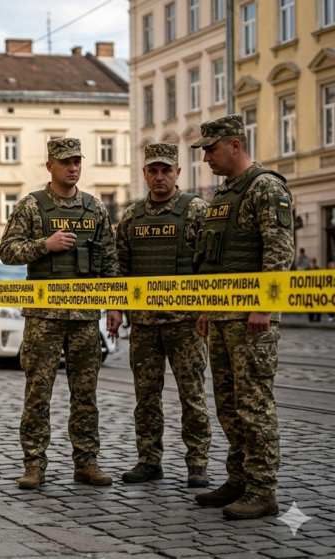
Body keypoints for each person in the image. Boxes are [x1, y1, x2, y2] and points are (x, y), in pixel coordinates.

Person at [0, 138, 122, 489]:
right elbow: (7, 251)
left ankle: (86, 462)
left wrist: (114, 305)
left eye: (77, 161)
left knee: (86, 394)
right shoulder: (32, 206)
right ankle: (34, 464)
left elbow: (110, 263)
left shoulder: (95, 209)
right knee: (38, 393)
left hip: (84, 318)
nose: (73, 167)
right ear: (50, 165)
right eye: (65, 161)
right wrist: (45, 245)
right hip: (44, 318)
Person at [191, 114, 294, 520]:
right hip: (220, 317)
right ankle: (238, 479)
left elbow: (279, 253)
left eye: (211, 150)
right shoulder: (223, 196)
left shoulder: (265, 188)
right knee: (229, 406)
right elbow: (212, 261)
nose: (206, 159)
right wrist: (205, 309)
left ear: (235, 145)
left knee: (254, 405)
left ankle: (263, 489)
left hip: (252, 319)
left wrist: (263, 307)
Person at [114, 143, 212, 488]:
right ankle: (148, 460)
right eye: (153, 170)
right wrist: (114, 307)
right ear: (144, 173)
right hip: (143, 325)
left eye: (166, 170)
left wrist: (206, 310)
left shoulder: (197, 210)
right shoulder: (131, 217)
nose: (159, 176)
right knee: (146, 397)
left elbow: (208, 267)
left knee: (193, 396)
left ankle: (197, 464)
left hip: (185, 324)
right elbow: (120, 269)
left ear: (178, 173)